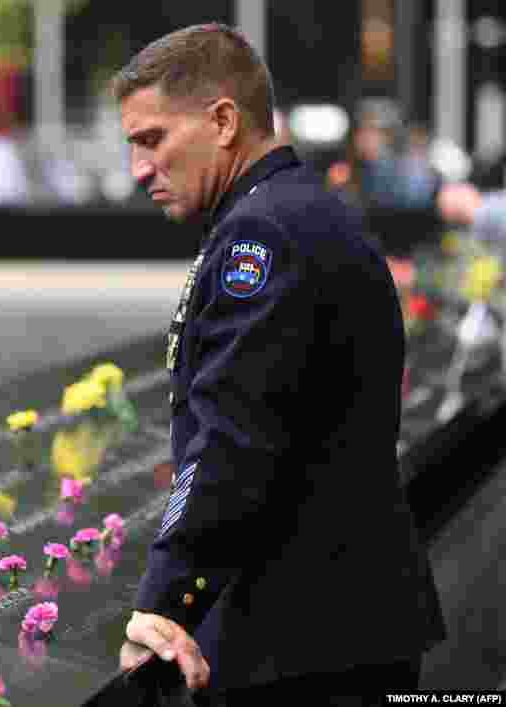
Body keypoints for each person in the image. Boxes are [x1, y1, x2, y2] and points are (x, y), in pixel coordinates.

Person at [111, 23, 446, 704]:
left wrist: (164, 601)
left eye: (153, 140)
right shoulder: (298, 212)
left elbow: (234, 436)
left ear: (224, 121)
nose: (139, 169)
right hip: (336, 631)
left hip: (302, 648)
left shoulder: (261, 234)